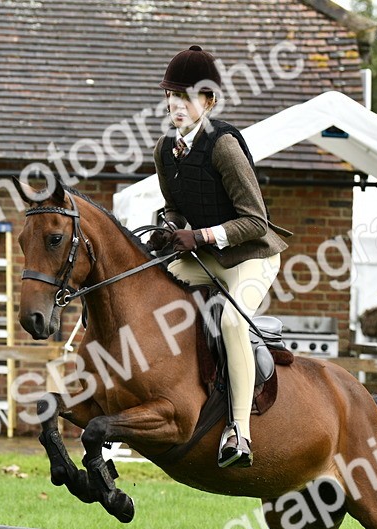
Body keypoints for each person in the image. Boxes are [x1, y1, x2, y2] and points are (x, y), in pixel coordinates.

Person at [148, 45, 292, 468]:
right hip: (207, 255)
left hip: (251, 255)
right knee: (151, 288)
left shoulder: (224, 146)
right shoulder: (164, 150)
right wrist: (170, 228)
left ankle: (239, 433)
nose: (177, 104)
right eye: (172, 95)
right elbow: (174, 206)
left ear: (208, 102)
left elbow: (256, 222)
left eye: (187, 96)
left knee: (231, 320)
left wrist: (200, 236)